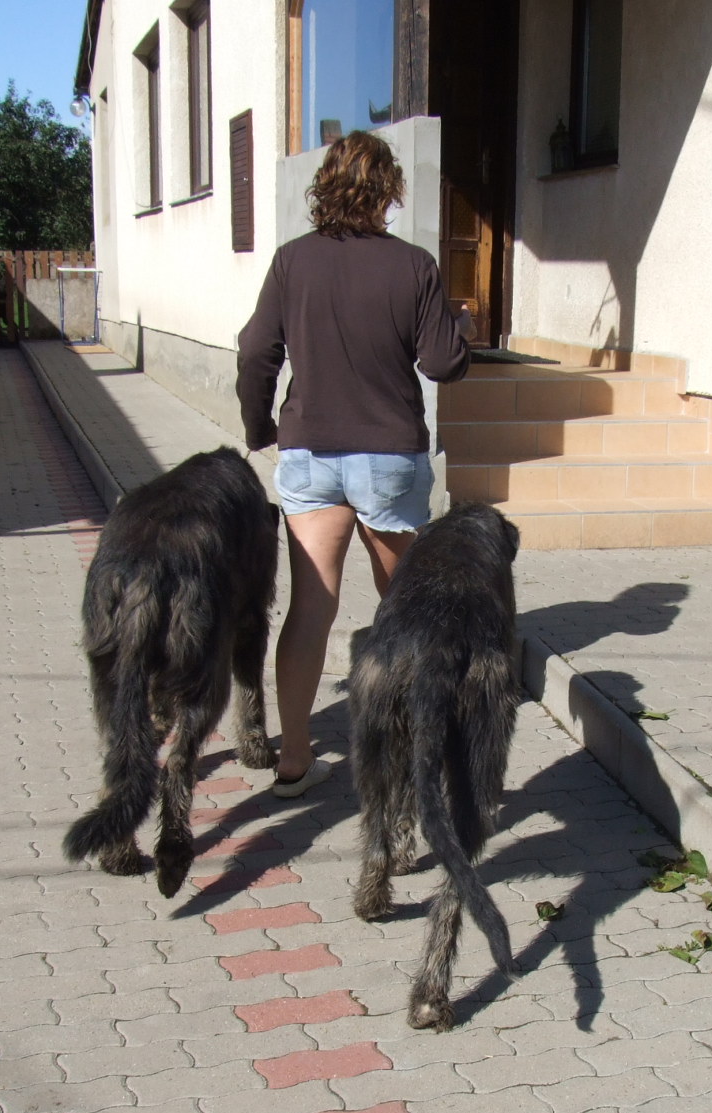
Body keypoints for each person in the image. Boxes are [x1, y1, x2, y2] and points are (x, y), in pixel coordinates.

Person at [236, 130, 470, 797]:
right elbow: (443, 363)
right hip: (388, 456)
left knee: (311, 609)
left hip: (309, 453)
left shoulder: (292, 261)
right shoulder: (415, 266)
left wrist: (258, 426)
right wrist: (457, 327)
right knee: (404, 608)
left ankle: (294, 761)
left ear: (326, 186)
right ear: (388, 190)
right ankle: (410, 753)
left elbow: (255, 351)